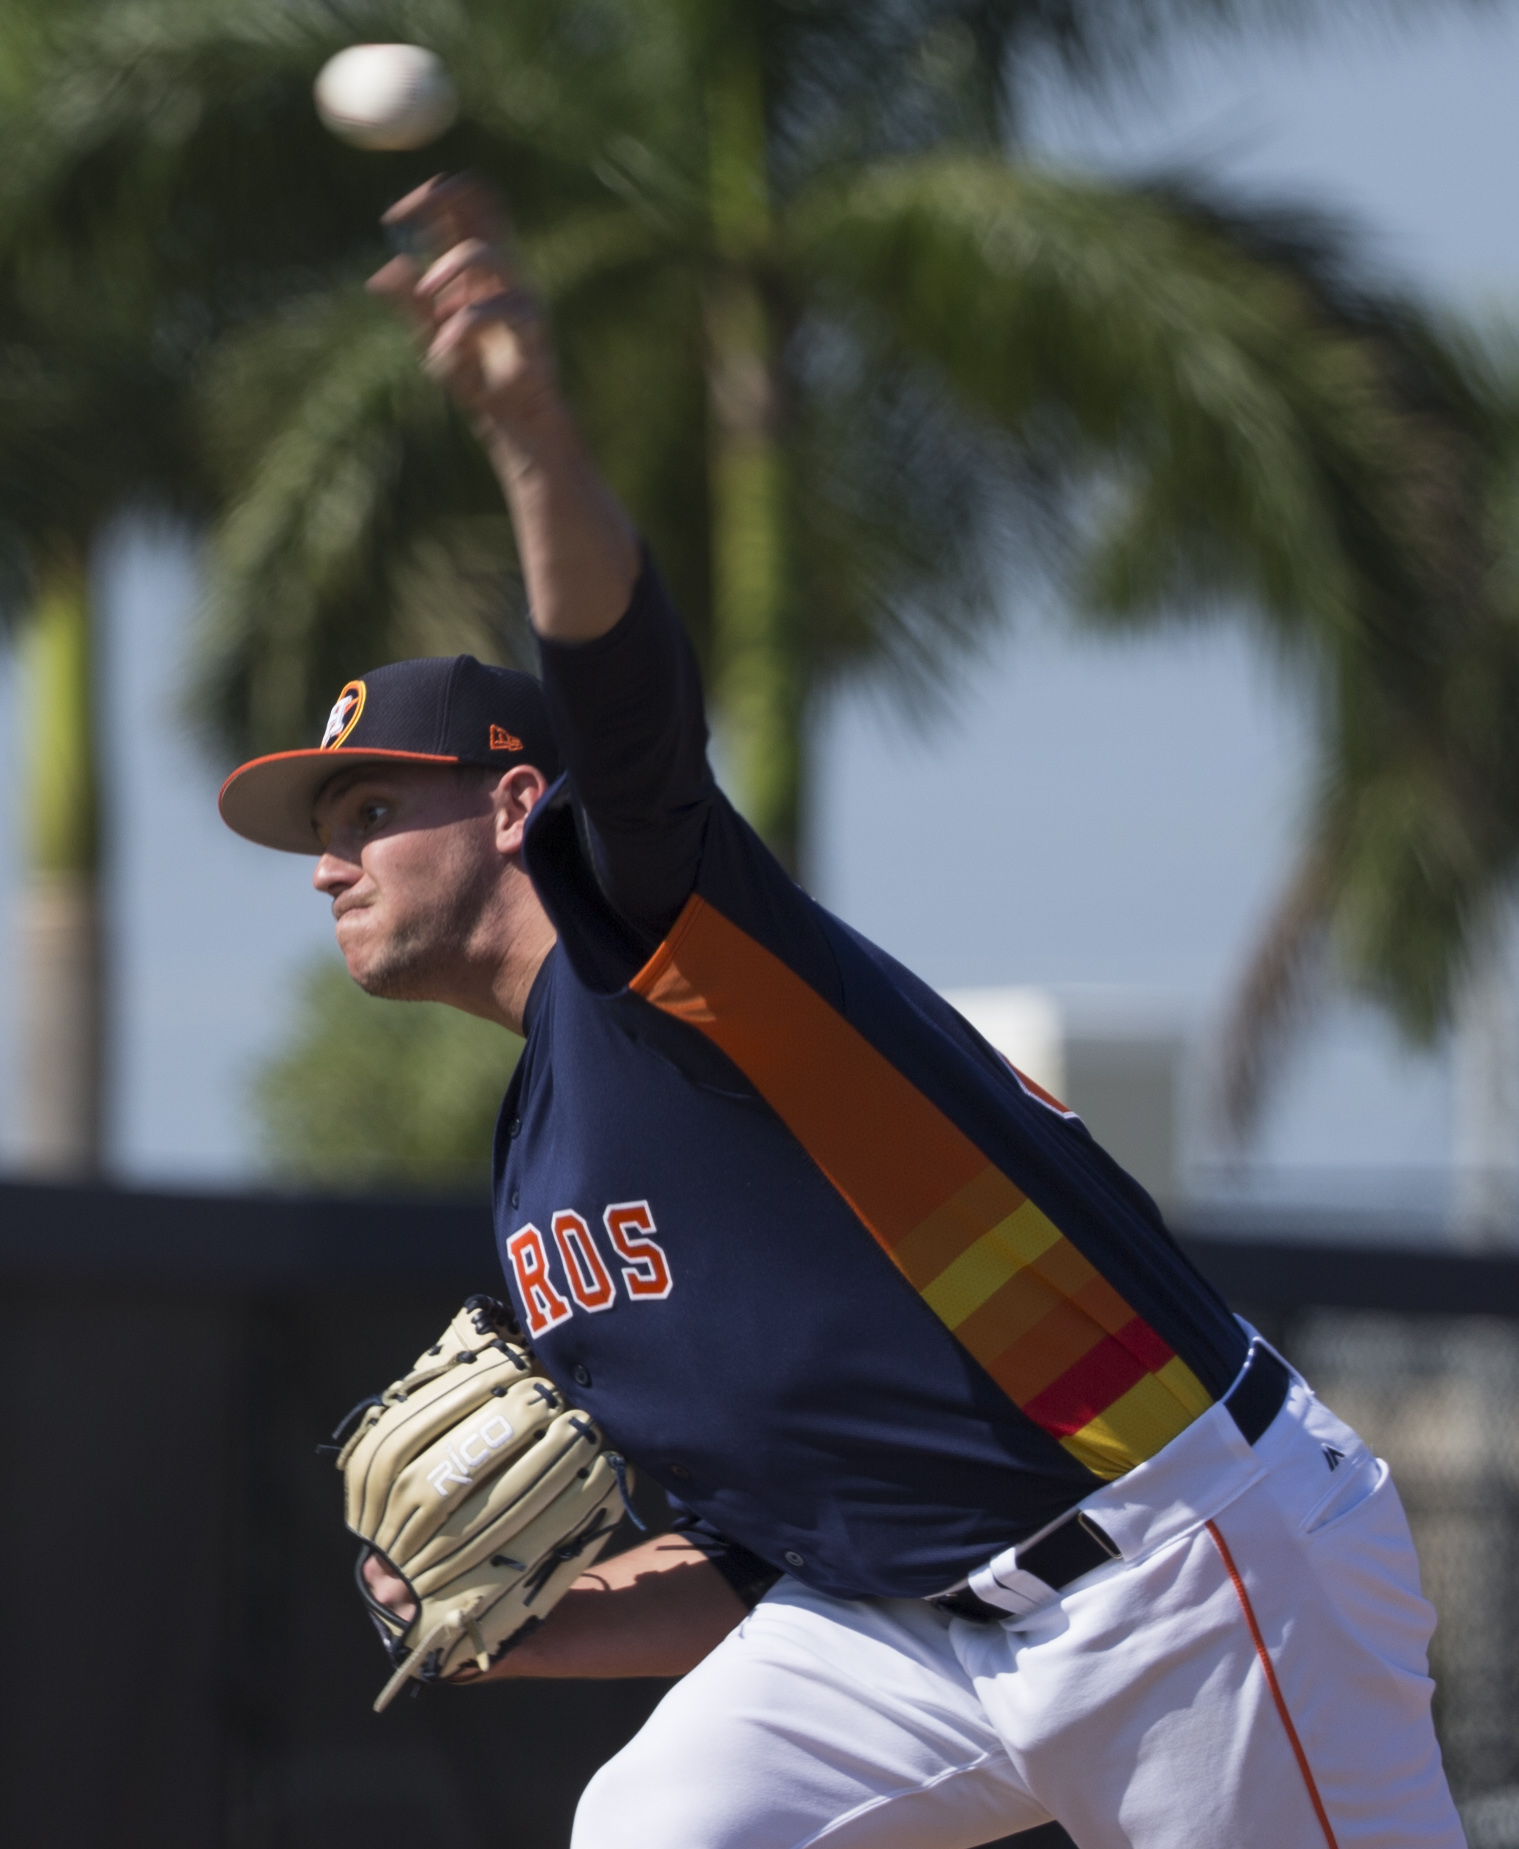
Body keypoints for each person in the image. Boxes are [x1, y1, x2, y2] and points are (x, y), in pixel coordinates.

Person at [218, 175, 1463, 1849]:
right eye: (324, 830)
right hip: (901, 1634)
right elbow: (756, 1557)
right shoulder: (534, 1187)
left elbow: (625, 693)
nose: (329, 863)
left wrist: (528, 436)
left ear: (518, 804)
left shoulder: (670, 940)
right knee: (648, 1827)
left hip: (1186, 1564)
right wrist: (501, 1623)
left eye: (371, 810)